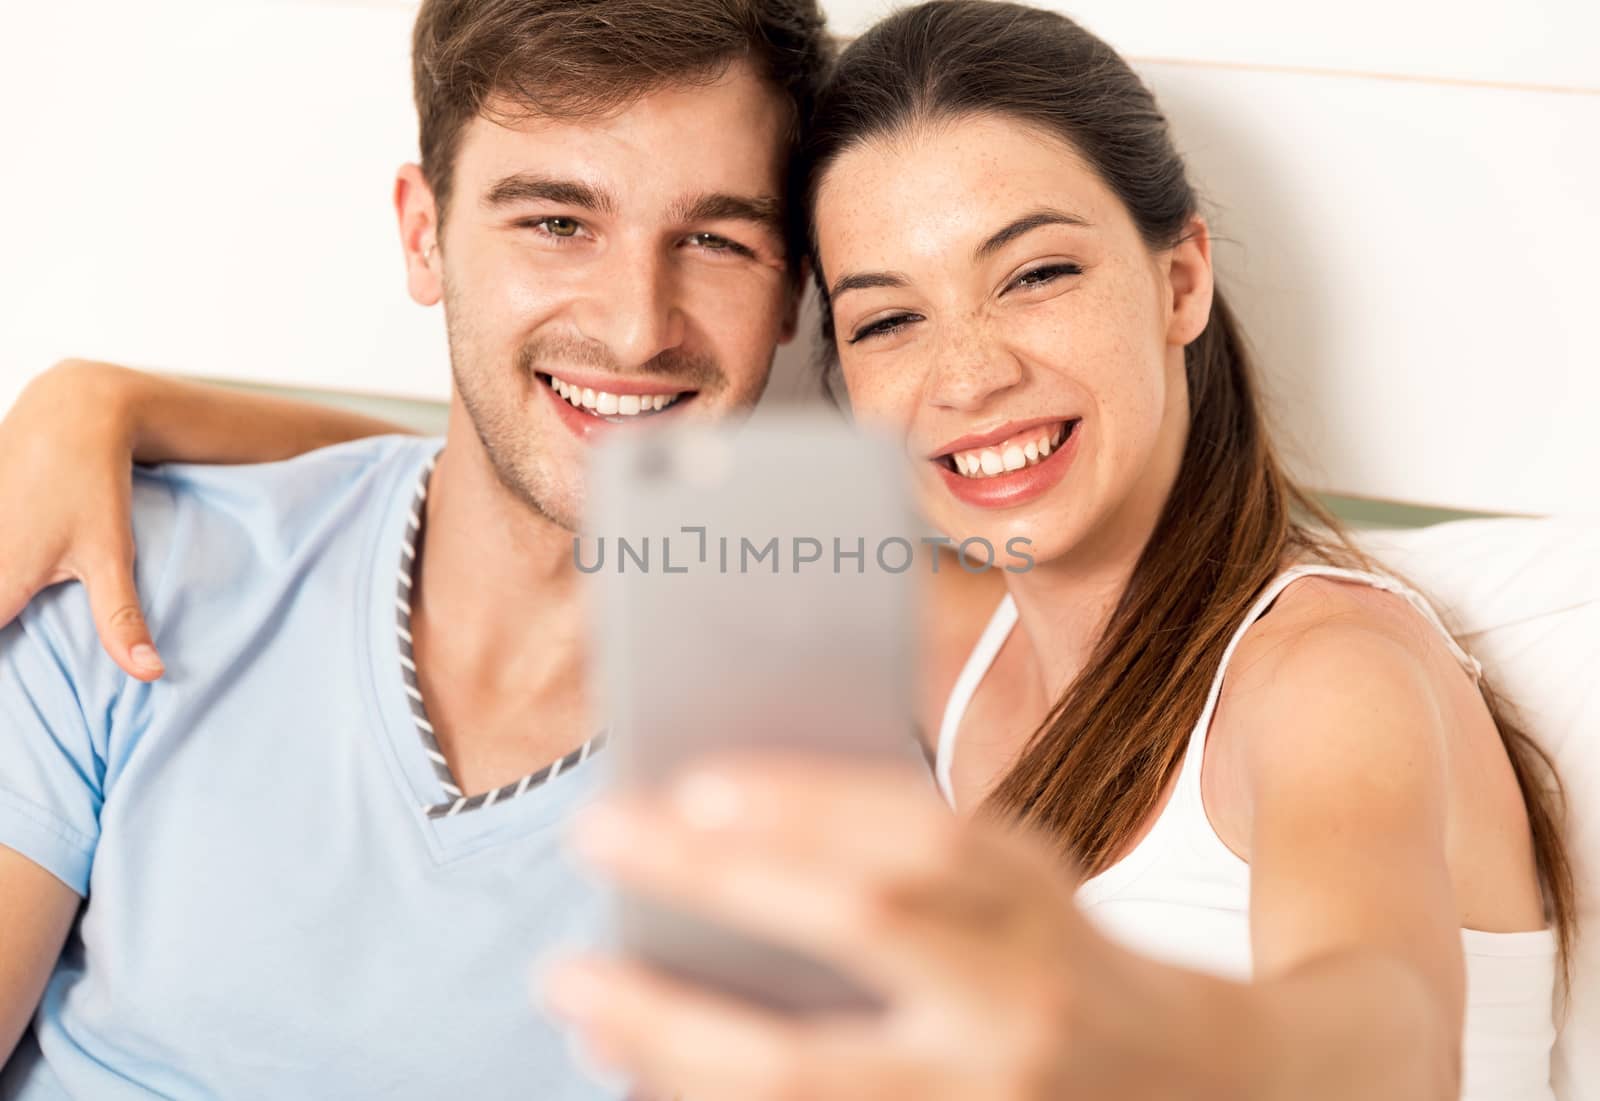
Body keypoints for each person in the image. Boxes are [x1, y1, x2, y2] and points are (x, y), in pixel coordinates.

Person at [0, 2, 1573, 1100]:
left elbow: (1381, 1038)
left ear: (1181, 280)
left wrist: (1130, 1031)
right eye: (890, 316)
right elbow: (522, 469)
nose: (967, 375)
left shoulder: (1329, 671)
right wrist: (116, 401)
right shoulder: (939, 639)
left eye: (1034, 276)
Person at [0, 0, 831, 1094]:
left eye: (716, 239)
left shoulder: (831, 773)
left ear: (790, 293)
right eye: (555, 222)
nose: (637, 326)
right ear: (422, 233)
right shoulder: (127, 566)